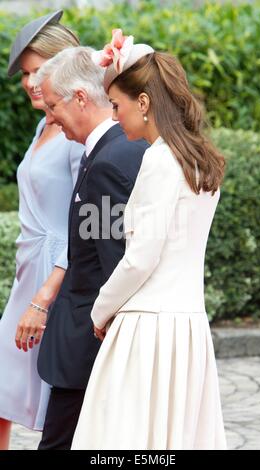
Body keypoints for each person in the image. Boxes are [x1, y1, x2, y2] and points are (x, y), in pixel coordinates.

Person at [71, 29, 227, 450]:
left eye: (118, 106)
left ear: (144, 102)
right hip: (189, 325)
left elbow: (140, 258)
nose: (115, 116)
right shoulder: (199, 161)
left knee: (123, 444)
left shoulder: (161, 160)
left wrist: (99, 312)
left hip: (150, 328)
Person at [32, 45, 148, 450]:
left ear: (80, 98)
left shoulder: (109, 161)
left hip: (89, 345)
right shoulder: (116, 149)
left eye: (51, 107)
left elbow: (117, 262)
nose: (49, 119)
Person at [0, 11, 84, 450]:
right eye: (27, 74)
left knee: (59, 404)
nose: (32, 83)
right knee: (3, 390)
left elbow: (83, 222)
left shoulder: (75, 132)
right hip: (26, 273)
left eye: (39, 71)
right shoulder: (41, 125)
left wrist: (45, 296)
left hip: (56, 278)